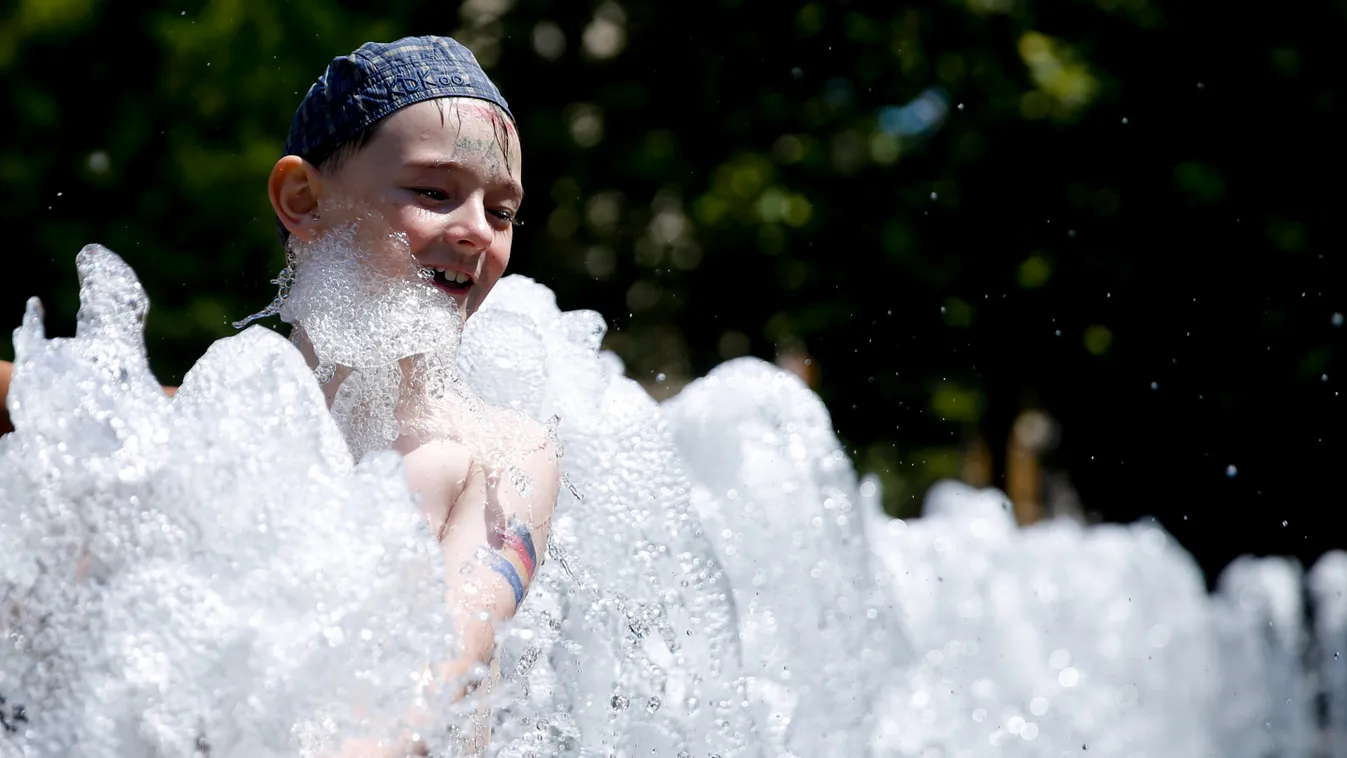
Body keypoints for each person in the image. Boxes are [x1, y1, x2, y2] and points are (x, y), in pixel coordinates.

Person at [0, 36, 559, 756]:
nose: (478, 230)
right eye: (433, 192)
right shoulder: (217, 419)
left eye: (504, 211)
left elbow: (444, 665)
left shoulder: (501, 453)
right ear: (302, 200)